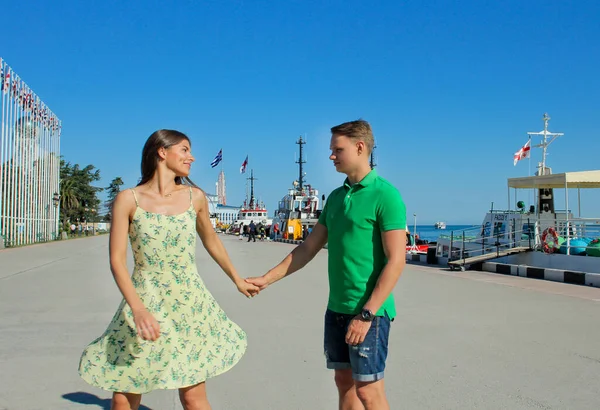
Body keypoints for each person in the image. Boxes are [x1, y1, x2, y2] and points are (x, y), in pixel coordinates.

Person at [78, 130, 259, 410]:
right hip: (144, 301)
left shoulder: (195, 197)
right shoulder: (128, 199)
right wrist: (137, 309)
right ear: (162, 152)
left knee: (192, 395)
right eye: (185, 150)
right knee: (126, 393)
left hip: (189, 303)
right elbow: (117, 260)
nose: (192, 157)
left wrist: (237, 279)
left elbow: (211, 240)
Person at [247, 120, 406, 410]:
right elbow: (308, 248)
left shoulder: (385, 195)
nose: (331, 156)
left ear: (360, 148)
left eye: (337, 149)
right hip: (337, 309)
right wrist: (266, 279)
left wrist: (367, 314)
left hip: (370, 311)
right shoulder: (335, 197)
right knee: (344, 384)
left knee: (369, 391)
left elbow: (396, 260)